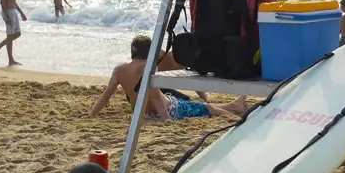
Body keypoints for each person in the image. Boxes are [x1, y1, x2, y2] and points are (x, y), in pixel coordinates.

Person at [90, 35, 248, 121]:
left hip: (144, 114)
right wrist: (167, 120)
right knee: (207, 108)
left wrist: (92, 115)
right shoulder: (148, 68)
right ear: (150, 51)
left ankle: (234, 105)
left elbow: (105, 97)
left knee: (198, 105)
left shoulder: (119, 70)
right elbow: (156, 98)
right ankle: (237, 113)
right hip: (168, 110)